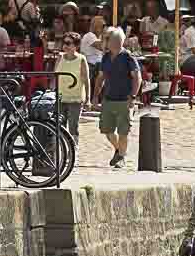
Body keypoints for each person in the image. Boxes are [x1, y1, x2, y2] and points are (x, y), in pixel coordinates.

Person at [93, 26, 142, 168]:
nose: (103, 42)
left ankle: (121, 157)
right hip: (108, 99)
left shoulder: (128, 57)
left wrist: (133, 97)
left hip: (124, 100)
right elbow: (100, 78)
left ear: (114, 41)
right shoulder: (106, 57)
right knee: (107, 131)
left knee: (123, 131)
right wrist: (95, 96)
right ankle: (119, 151)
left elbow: (137, 78)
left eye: (106, 39)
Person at [54, 32, 90, 144]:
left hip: (75, 99)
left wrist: (88, 99)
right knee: (59, 127)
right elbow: (54, 76)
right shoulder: (60, 57)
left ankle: (73, 150)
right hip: (60, 98)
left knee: (73, 128)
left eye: (68, 43)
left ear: (76, 45)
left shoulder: (81, 59)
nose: (65, 45)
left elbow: (86, 80)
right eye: (64, 43)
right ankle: (62, 150)